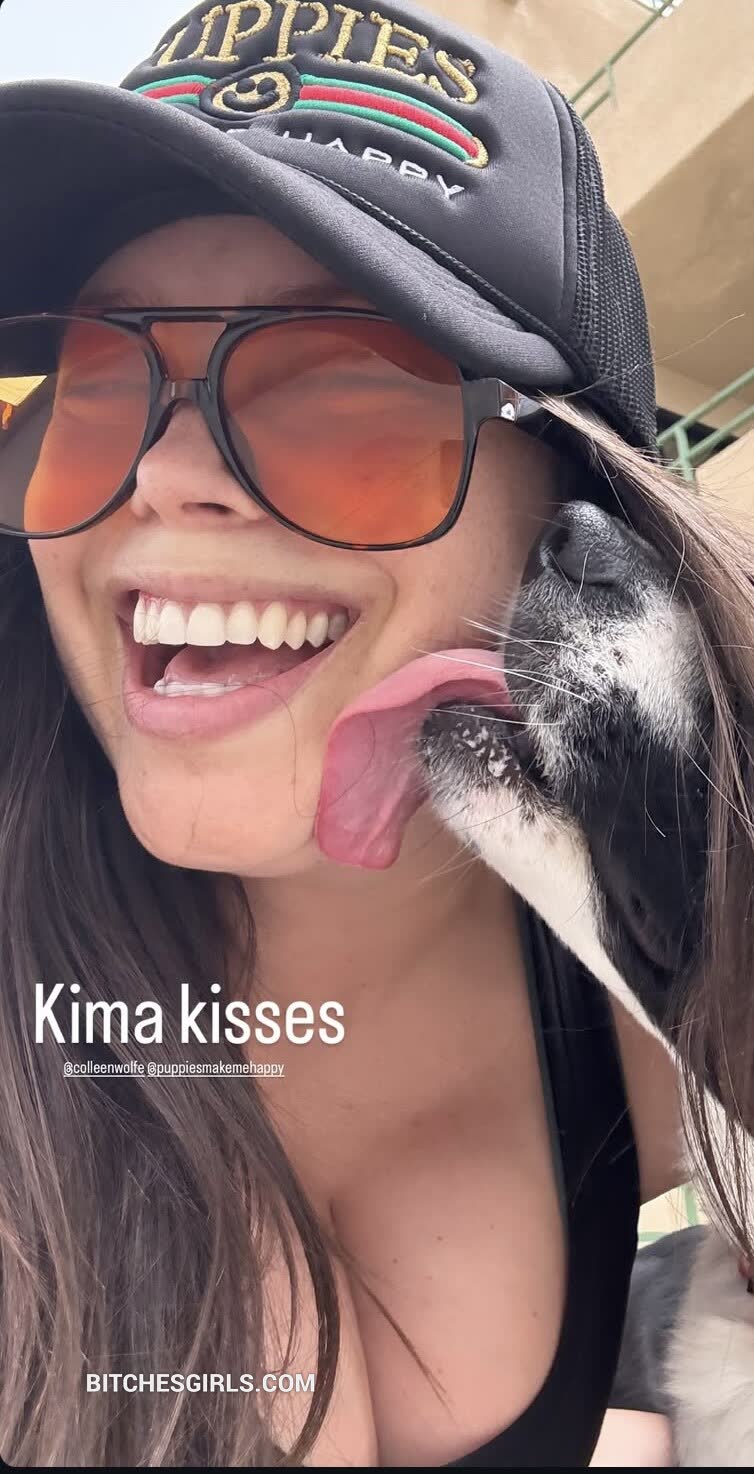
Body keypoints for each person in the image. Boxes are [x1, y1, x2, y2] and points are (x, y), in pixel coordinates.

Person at [0, 2, 753, 1467]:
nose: (162, 473)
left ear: (573, 489)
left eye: (341, 380)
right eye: (95, 381)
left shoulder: (673, 1019)